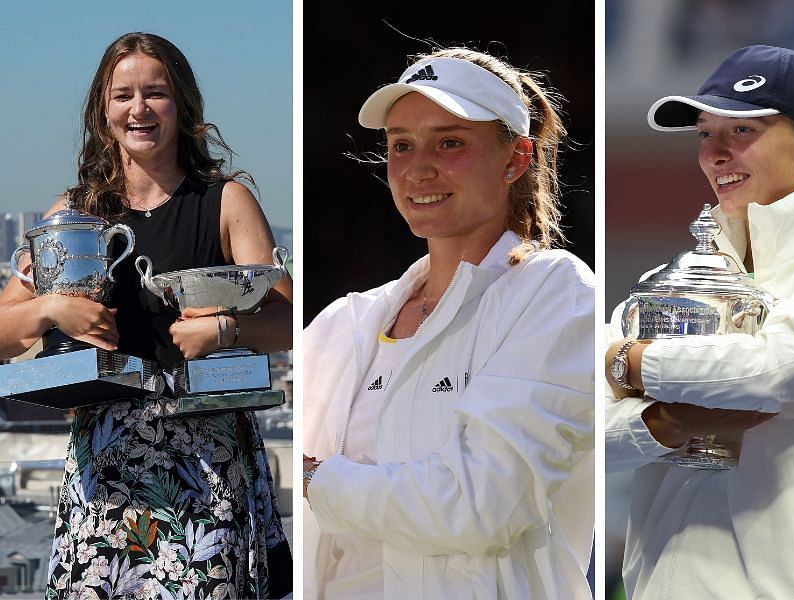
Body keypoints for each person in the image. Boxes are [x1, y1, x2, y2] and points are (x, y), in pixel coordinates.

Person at [0, 32, 292, 597]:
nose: (139, 109)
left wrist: (225, 329)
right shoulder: (75, 214)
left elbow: (287, 316)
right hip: (104, 471)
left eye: (155, 93)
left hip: (205, 470)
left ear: (182, 105)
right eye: (122, 95)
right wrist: (50, 307)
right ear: (101, 111)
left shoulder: (226, 201)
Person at [604, 45, 794, 599]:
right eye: (704, 134)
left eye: (740, 131)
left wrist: (629, 362)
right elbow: (583, 433)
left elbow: (772, 371)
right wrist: (669, 423)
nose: (714, 154)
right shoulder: (670, 280)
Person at [301, 48, 595, 599]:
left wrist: (320, 481)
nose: (418, 168)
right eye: (401, 146)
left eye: (450, 142)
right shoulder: (343, 323)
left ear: (517, 159)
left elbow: (480, 505)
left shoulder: (556, 291)